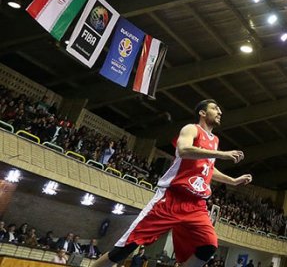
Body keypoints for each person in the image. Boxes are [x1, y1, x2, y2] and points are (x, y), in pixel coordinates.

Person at [92, 99, 252, 267]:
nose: (219, 112)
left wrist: (233, 181)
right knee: (126, 248)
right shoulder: (192, 129)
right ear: (202, 113)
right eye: (215, 108)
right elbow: (183, 150)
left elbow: (209, 167)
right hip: (171, 198)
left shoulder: (215, 140)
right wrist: (222, 154)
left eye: (220, 109)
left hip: (196, 204)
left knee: (208, 246)